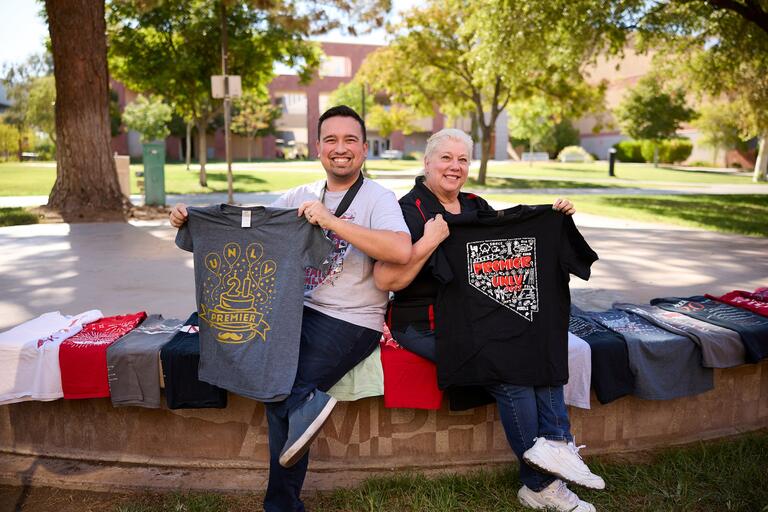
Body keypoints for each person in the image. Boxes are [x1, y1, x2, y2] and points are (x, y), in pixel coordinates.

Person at [170, 105, 411, 512]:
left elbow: (400, 249)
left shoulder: (378, 198)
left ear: (364, 149)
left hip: (351, 320)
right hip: (294, 311)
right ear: (318, 148)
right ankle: (305, 422)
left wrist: (331, 221)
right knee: (267, 375)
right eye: (331, 140)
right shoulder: (299, 196)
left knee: (282, 386)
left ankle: (280, 504)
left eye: (350, 140)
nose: (340, 148)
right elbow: (253, 230)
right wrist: (192, 219)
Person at [373, 128, 604, 512]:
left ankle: (558, 444)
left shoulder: (475, 205)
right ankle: (540, 486)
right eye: (446, 158)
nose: (455, 166)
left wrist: (553, 218)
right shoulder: (407, 210)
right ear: (427, 162)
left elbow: (508, 246)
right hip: (422, 323)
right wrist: (428, 241)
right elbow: (387, 279)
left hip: (474, 317)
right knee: (508, 371)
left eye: (462, 159)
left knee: (537, 338)